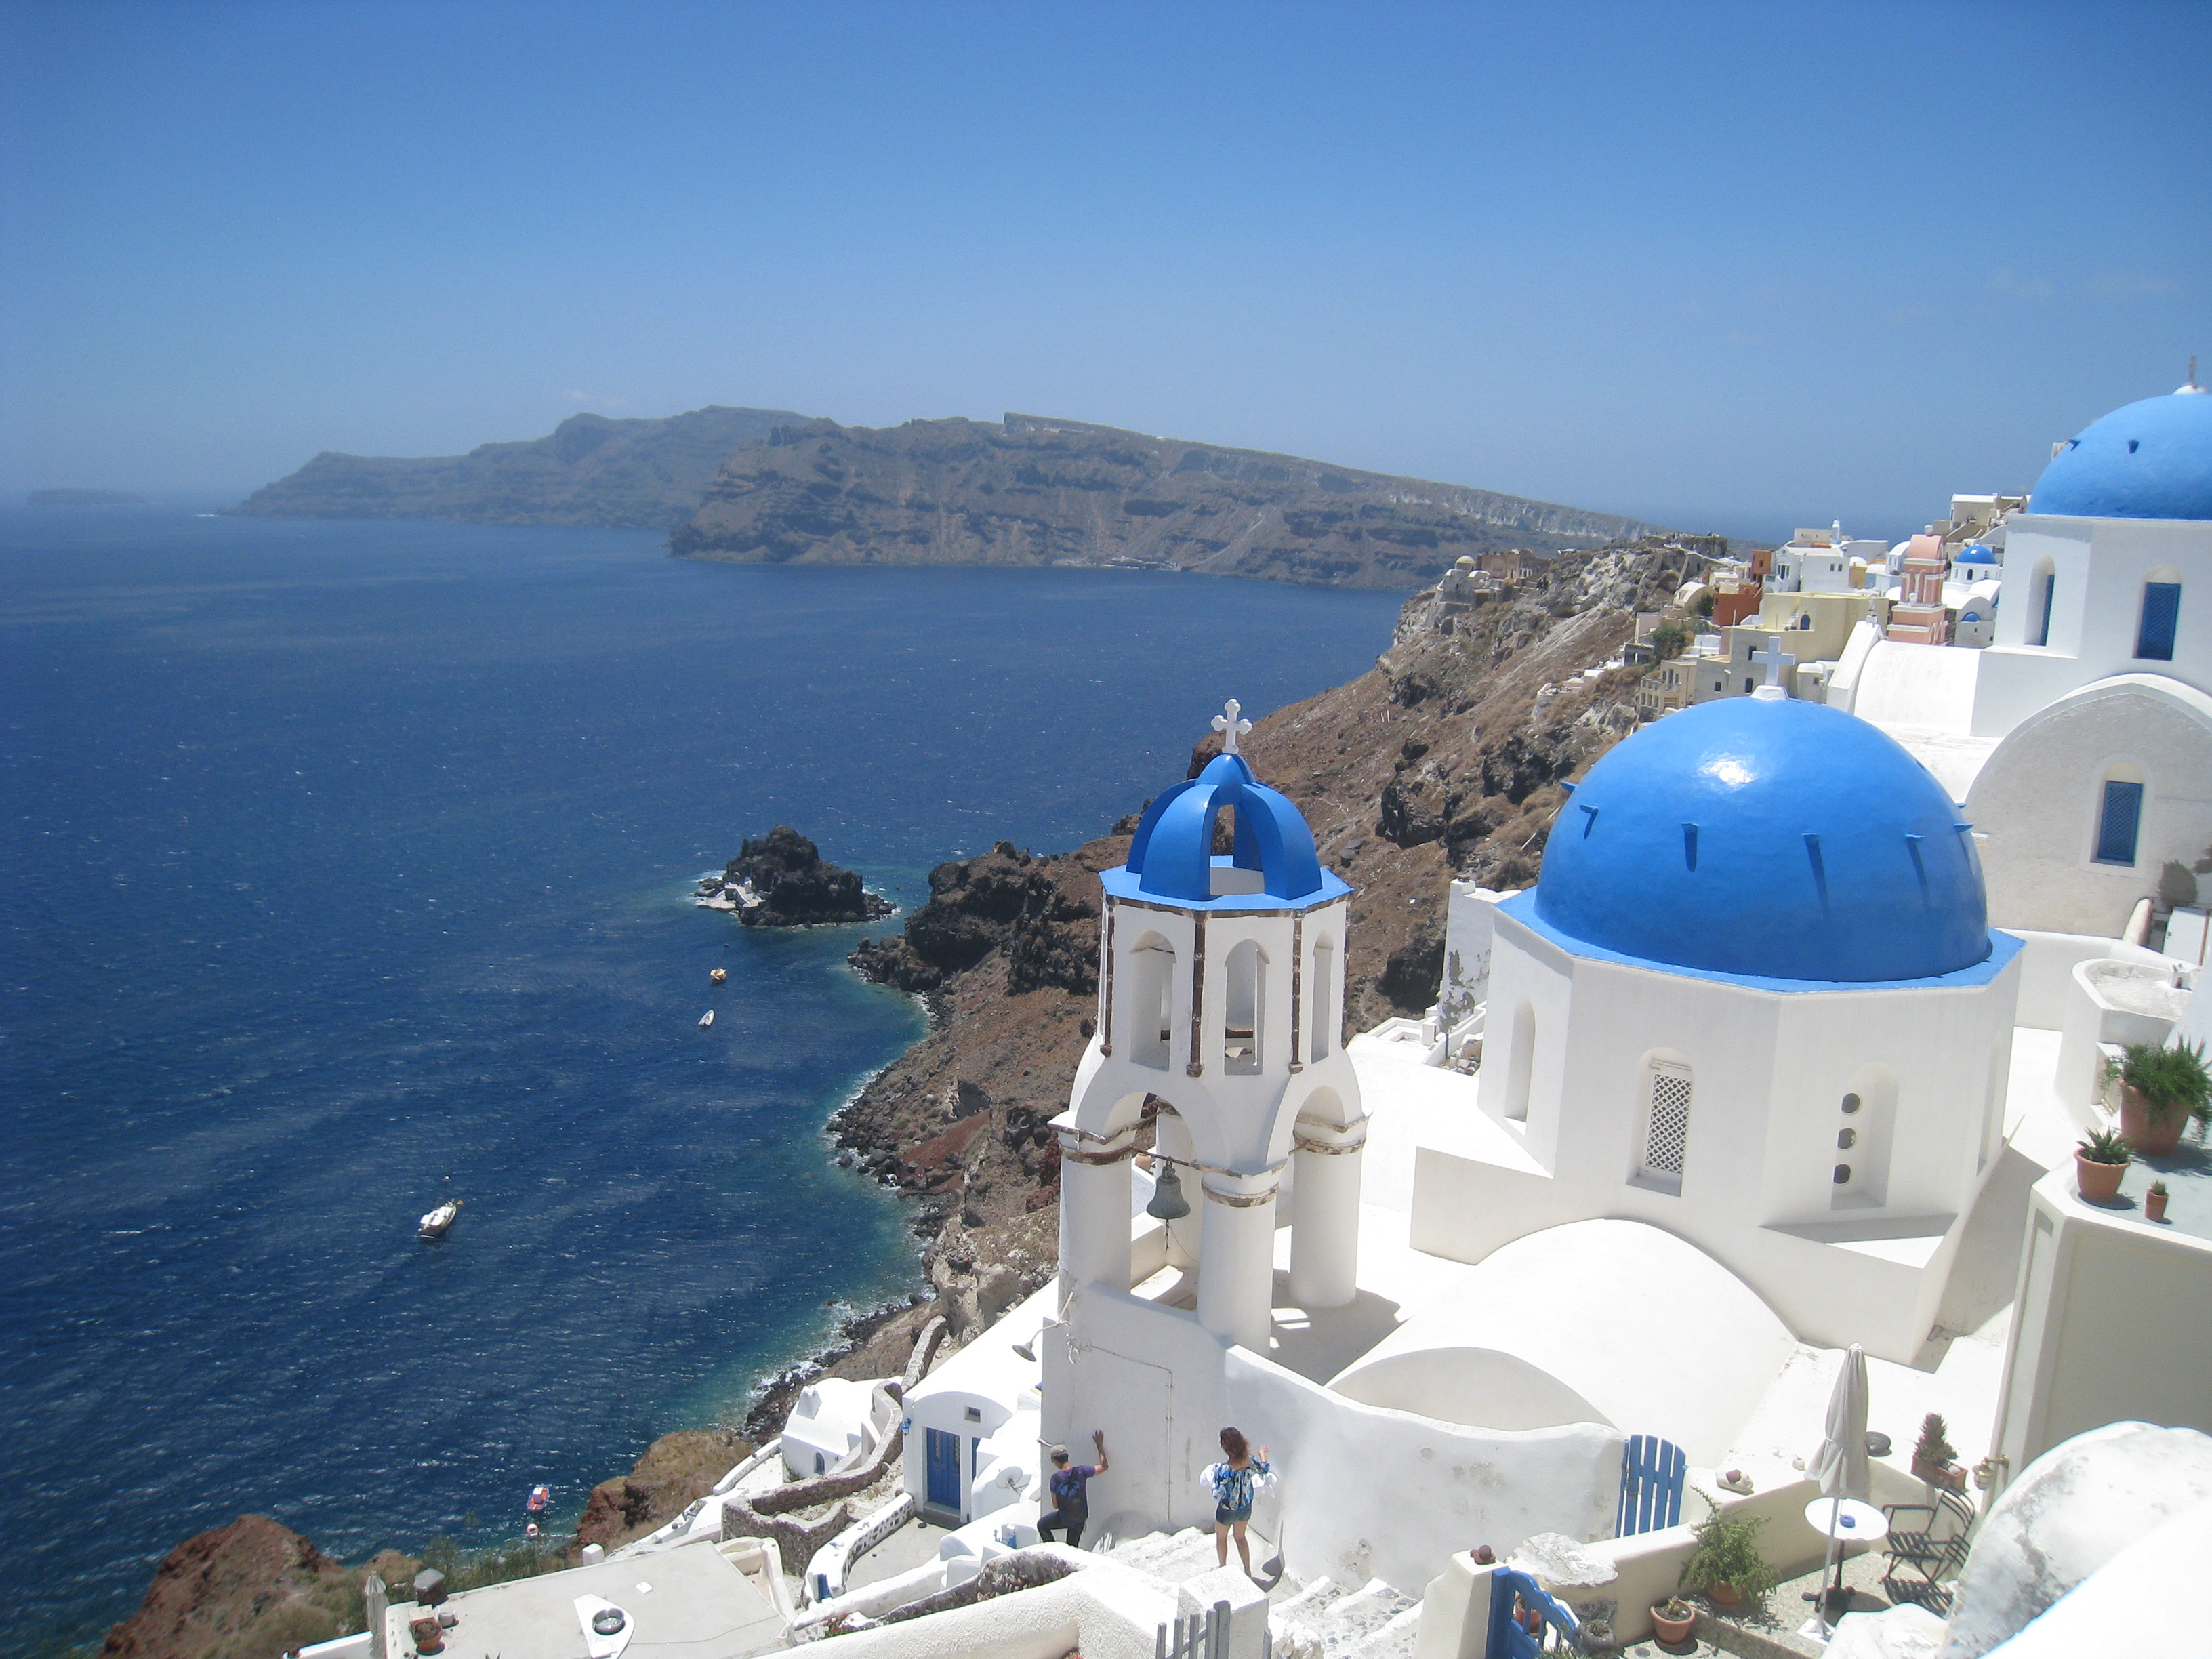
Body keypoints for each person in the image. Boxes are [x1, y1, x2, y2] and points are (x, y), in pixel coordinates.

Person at [1202, 1426, 1271, 1575]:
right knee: (1240, 1537)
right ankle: (1247, 1571)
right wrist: (1261, 1453)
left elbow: (1218, 1494)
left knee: (1221, 1538)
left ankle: (1223, 1567)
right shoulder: (1250, 1461)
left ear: (1225, 1447)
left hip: (1227, 1511)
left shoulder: (1223, 1470)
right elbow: (1265, 1468)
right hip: (1245, 1508)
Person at [1038, 1429, 1107, 1548]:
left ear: (1054, 1460)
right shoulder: (1082, 1471)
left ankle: (1054, 1552)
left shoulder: (1055, 1479)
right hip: (1081, 1518)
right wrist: (1100, 1445)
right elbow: (1104, 1466)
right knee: (1072, 1547)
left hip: (1065, 1518)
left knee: (1042, 1525)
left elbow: (1055, 1505)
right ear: (1067, 1456)